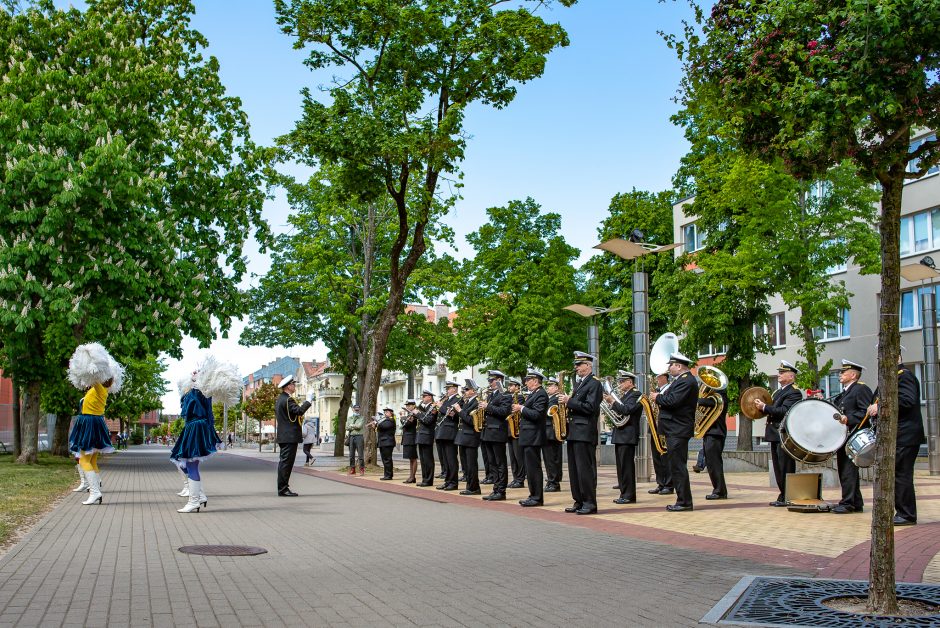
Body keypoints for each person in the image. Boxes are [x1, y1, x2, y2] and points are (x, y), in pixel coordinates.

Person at [868, 353, 925, 525]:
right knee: (897, 475)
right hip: (897, 435)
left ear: (897, 356)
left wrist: (880, 406)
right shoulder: (891, 377)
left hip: (905, 435)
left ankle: (906, 514)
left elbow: (907, 400)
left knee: (902, 475)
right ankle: (902, 512)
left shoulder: (904, 376)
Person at [67, 343, 123, 506]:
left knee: (84, 460)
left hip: (90, 424)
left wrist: (90, 353)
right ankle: (95, 489)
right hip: (94, 423)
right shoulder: (99, 390)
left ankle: (95, 492)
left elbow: (96, 372)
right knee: (91, 461)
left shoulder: (100, 388)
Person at [650, 352, 699, 512]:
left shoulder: (686, 381)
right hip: (674, 429)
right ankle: (682, 500)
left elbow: (673, 401)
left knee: (678, 467)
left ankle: (684, 502)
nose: (668, 368)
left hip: (678, 429)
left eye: (671, 365)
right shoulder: (680, 381)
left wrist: (657, 397)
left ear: (678, 366)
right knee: (675, 466)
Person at [171, 370, 224, 513]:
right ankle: (199, 496)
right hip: (193, 428)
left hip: (196, 428)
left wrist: (199, 378)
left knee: (191, 464)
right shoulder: (196, 392)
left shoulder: (201, 391)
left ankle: (194, 501)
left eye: (196, 375)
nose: (193, 374)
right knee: (183, 462)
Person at [754, 360, 803, 507]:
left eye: (782, 373)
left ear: (791, 376)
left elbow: (785, 411)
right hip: (774, 433)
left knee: (785, 466)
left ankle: (788, 495)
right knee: (778, 467)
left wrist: (764, 407)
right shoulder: (779, 391)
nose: (779, 375)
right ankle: (783, 494)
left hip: (784, 434)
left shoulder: (794, 392)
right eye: (779, 372)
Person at [559, 351, 603, 515]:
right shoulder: (579, 384)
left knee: (585, 469)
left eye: (579, 364)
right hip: (574, 432)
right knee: (574, 470)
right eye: (575, 365)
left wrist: (569, 401)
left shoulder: (594, 383)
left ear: (588, 365)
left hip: (585, 432)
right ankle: (578, 500)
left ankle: (590, 502)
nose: (576, 368)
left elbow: (591, 407)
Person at [830, 359, 874, 514]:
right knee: (845, 469)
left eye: (843, 372)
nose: (840, 374)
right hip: (844, 436)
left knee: (848, 470)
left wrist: (849, 418)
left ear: (853, 375)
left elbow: (865, 412)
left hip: (854, 436)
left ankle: (848, 502)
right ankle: (855, 502)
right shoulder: (846, 391)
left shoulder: (860, 389)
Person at [604, 370, 643, 505]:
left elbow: (626, 410)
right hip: (621, 434)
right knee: (621, 467)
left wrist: (612, 402)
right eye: (619, 381)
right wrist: (612, 404)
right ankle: (623, 492)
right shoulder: (626, 395)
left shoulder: (636, 394)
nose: (619, 384)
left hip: (628, 435)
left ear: (630, 382)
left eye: (622, 382)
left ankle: (629, 495)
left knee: (626, 467)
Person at [275, 376, 313, 497]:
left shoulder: (281, 399)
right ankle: (283, 489)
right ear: (288, 386)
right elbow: (299, 411)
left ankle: (283, 487)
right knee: (286, 463)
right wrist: (309, 401)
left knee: (284, 463)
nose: (294, 386)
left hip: (284, 436)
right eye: (293, 384)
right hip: (289, 437)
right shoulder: (288, 400)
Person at [516, 370, 548, 507]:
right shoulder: (533, 394)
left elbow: (537, 414)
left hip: (533, 436)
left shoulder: (541, 394)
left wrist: (521, 408)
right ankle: (532, 495)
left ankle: (537, 497)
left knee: (534, 468)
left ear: (535, 381)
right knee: (529, 468)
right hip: (528, 435)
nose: (526, 382)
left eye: (528, 380)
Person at [480, 370, 512, 500]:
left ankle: (501, 491)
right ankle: (495, 489)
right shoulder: (491, 395)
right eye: (489, 380)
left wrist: (487, 407)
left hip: (497, 432)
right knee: (492, 463)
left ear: (499, 380)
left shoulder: (505, 394)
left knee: (500, 463)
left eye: (492, 380)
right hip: (488, 432)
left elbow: (504, 411)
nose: (490, 383)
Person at [697, 384, 728, 500]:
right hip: (710, 432)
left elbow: (709, 403)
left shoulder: (720, 397)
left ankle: (720, 491)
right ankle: (718, 489)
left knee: (714, 463)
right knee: (710, 463)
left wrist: (695, 399)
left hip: (716, 433)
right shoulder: (712, 398)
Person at [648, 372, 674, 495]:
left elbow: (669, 403)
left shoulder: (670, 389)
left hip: (665, 427)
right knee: (656, 457)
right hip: (655, 427)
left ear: (664, 377)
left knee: (666, 456)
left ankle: (669, 485)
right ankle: (661, 483)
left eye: (658, 377)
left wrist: (657, 397)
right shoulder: (656, 391)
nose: (656, 379)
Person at [454, 381, 482, 495]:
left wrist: (459, 410)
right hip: (463, 437)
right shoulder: (467, 402)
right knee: (466, 465)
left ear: (473, 391)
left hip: (471, 437)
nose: (464, 392)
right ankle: (469, 486)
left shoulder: (476, 402)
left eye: (466, 390)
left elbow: (471, 421)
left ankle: (474, 487)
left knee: (471, 465)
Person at [434, 380, 461, 490]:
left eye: (448, 389)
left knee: (451, 459)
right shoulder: (447, 399)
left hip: (450, 432)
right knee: (445, 459)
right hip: (442, 432)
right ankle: (448, 480)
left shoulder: (458, 399)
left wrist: (440, 407)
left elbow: (453, 414)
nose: (447, 391)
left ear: (454, 389)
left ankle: (453, 482)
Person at [542, 377, 564, 492]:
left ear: (556, 388)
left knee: (552, 458)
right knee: (549, 458)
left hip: (552, 431)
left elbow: (547, 413)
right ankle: (552, 479)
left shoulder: (556, 398)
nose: (548, 388)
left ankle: (554, 482)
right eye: (548, 386)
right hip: (548, 432)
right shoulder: (550, 398)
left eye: (550, 386)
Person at [505, 378, 526, 489]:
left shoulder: (520, 397)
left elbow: (515, 411)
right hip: (509, 429)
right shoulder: (510, 397)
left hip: (516, 429)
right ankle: (515, 478)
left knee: (519, 457)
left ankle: (520, 479)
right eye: (509, 385)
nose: (509, 387)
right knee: (513, 457)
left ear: (518, 387)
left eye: (512, 385)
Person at [415, 391, 438, 486]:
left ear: (430, 397)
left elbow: (428, 420)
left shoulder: (433, 407)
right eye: (422, 396)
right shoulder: (423, 407)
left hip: (427, 435)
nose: (422, 398)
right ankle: (424, 479)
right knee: (423, 459)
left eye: (424, 396)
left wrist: (418, 414)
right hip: (421, 435)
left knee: (428, 459)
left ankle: (429, 480)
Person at [373, 408, 397, 480]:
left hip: (387, 442)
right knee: (384, 460)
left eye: (387, 412)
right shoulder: (385, 420)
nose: (385, 413)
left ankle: (388, 475)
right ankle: (386, 474)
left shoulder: (391, 420)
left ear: (391, 413)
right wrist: (375, 426)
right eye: (385, 412)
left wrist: (377, 422)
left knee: (387, 459)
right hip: (383, 442)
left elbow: (384, 426)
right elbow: (380, 429)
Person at [400, 400, 419, 483]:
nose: (408, 407)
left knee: (413, 458)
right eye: (407, 405)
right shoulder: (409, 415)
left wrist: (402, 417)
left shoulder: (414, 415)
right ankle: (411, 476)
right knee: (410, 459)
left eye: (409, 405)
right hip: (407, 438)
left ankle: (413, 477)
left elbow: (407, 424)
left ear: (414, 406)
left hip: (411, 438)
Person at [347, 404, 365, 475]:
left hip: (359, 436)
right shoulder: (350, 418)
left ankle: (361, 469)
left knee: (360, 454)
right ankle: (352, 468)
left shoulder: (361, 417)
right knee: (351, 454)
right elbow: (347, 427)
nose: (357, 410)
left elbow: (359, 426)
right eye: (355, 409)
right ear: (353, 409)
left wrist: (351, 425)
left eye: (358, 409)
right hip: (351, 436)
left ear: (360, 409)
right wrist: (353, 426)